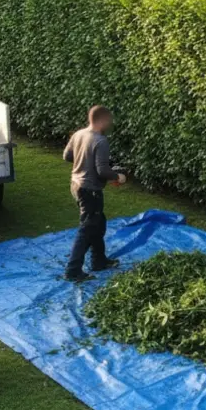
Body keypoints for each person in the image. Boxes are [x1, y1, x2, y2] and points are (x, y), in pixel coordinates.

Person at [62, 105, 126, 281]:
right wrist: (118, 176)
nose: (111, 123)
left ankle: (99, 260)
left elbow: (67, 156)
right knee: (88, 228)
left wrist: (84, 159)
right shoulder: (100, 141)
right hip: (89, 190)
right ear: (103, 120)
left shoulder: (79, 134)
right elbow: (102, 171)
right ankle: (72, 270)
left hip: (76, 185)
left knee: (98, 222)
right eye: (110, 120)